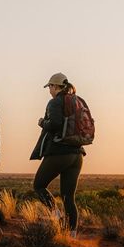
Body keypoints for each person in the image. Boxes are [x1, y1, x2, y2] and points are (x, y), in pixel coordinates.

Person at [30, 73, 86, 235]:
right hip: (77, 154)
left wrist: (42, 122)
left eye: (50, 87)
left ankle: (56, 215)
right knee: (68, 197)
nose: (49, 90)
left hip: (59, 153)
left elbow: (54, 124)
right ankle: (72, 235)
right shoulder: (76, 101)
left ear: (55, 87)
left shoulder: (55, 102)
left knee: (39, 185)